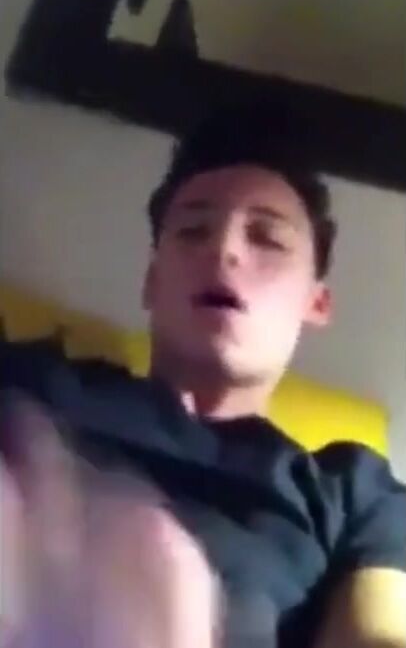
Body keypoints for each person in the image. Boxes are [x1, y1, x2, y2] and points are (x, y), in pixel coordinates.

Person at [1, 104, 406, 647]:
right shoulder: (33, 380)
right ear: (151, 281)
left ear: (316, 301)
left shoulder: (351, 492)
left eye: (268, 239)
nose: (224, 249)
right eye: (193, 230)